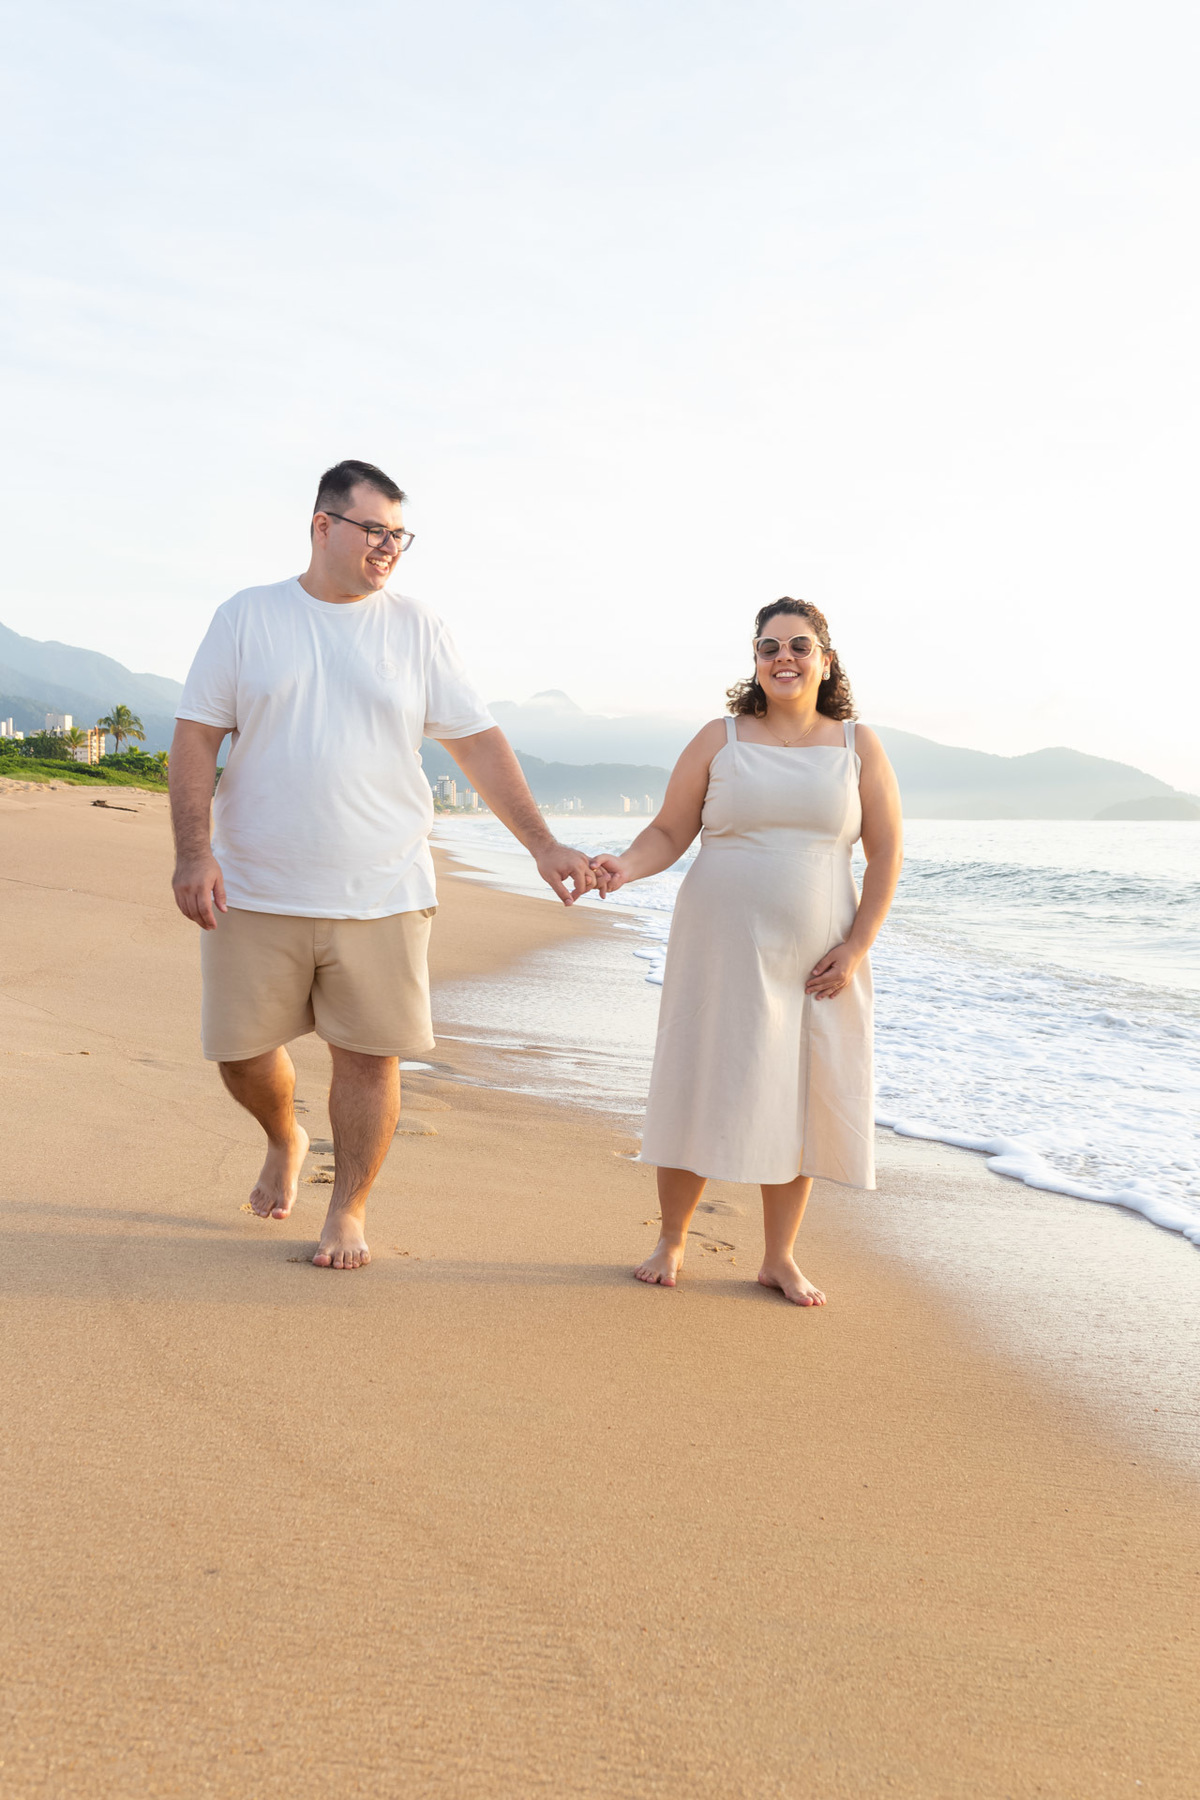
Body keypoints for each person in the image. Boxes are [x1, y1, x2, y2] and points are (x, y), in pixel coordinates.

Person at [170, 459, 594, 1270]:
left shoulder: (418, 625)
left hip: (385, 885)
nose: (389, 547)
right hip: (254, 883)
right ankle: (283, 1135)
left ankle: (348, 1211)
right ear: (323, 526)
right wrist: (194, 851)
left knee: (369, 1056)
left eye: (400, 534)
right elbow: (195, 736)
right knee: (239, 1052)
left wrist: (543, 844)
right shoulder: (247, 617)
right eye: (375, 530)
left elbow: (475, 740)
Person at [591, 598, 902, 1305]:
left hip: (818, 953)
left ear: (826, 659)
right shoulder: (718, 738)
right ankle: (671, 1238)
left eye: (799, 645)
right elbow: (670, 832)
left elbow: (885, 855)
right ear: (755, 663)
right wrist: (624, 867)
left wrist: (857, 946)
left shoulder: (859, 745)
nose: (783, 658)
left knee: (799, 1091)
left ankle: (779, 1258)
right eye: (769, 648)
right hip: (718, 942)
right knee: (699, 1073)